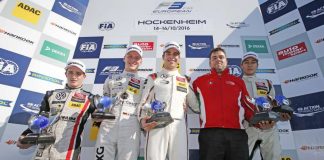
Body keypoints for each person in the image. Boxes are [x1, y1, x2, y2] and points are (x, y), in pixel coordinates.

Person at [16, 59, 96, 160]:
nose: (73, 76)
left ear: (84, 76)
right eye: (70, 72)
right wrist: (25, 136)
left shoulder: (90, 98)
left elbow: (101, 121)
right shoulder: (51, 94)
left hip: (67, 152)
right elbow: (40, 121)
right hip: (43, 150)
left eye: (78, 73)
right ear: (66, 74)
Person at [192, 47, 261, 160]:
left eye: (221, 57)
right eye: (214, 58)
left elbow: (248, 106)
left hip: (237, 134)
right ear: (210, 63)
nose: (218, 59)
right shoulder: (199, 81)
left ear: (226, 61)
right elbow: (190, 100)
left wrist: (259, 122)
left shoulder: (238, 81)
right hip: (210, 134)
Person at [138, 41, 199, 160]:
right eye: (168, 53)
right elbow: (143, 102)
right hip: (156, 123)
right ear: (163, 57)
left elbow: (196, 106)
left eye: (175, 54)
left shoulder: (185, 80)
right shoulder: (153, 78)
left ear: (179, 58)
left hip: (178, 126)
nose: (172, 57)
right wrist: (142, 120)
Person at [94, 44, 145, 160]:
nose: (133, 60)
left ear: (141, 61)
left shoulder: (144, 82)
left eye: (136, 58)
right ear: (124, 58)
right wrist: (100, 110)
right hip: (108, 123)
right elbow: (105, 100)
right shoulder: (111, 78)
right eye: (130, 56)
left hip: (131, 123)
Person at [241, 51, 291, 160]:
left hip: (269, 128)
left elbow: (274, 105)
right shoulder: (236, 83)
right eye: (246, 62)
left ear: (257, 65)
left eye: (253, 62)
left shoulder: (267, 82)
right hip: (247, 128)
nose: (250, 65)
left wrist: (279, 117)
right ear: (241, 65)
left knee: (274, 157)